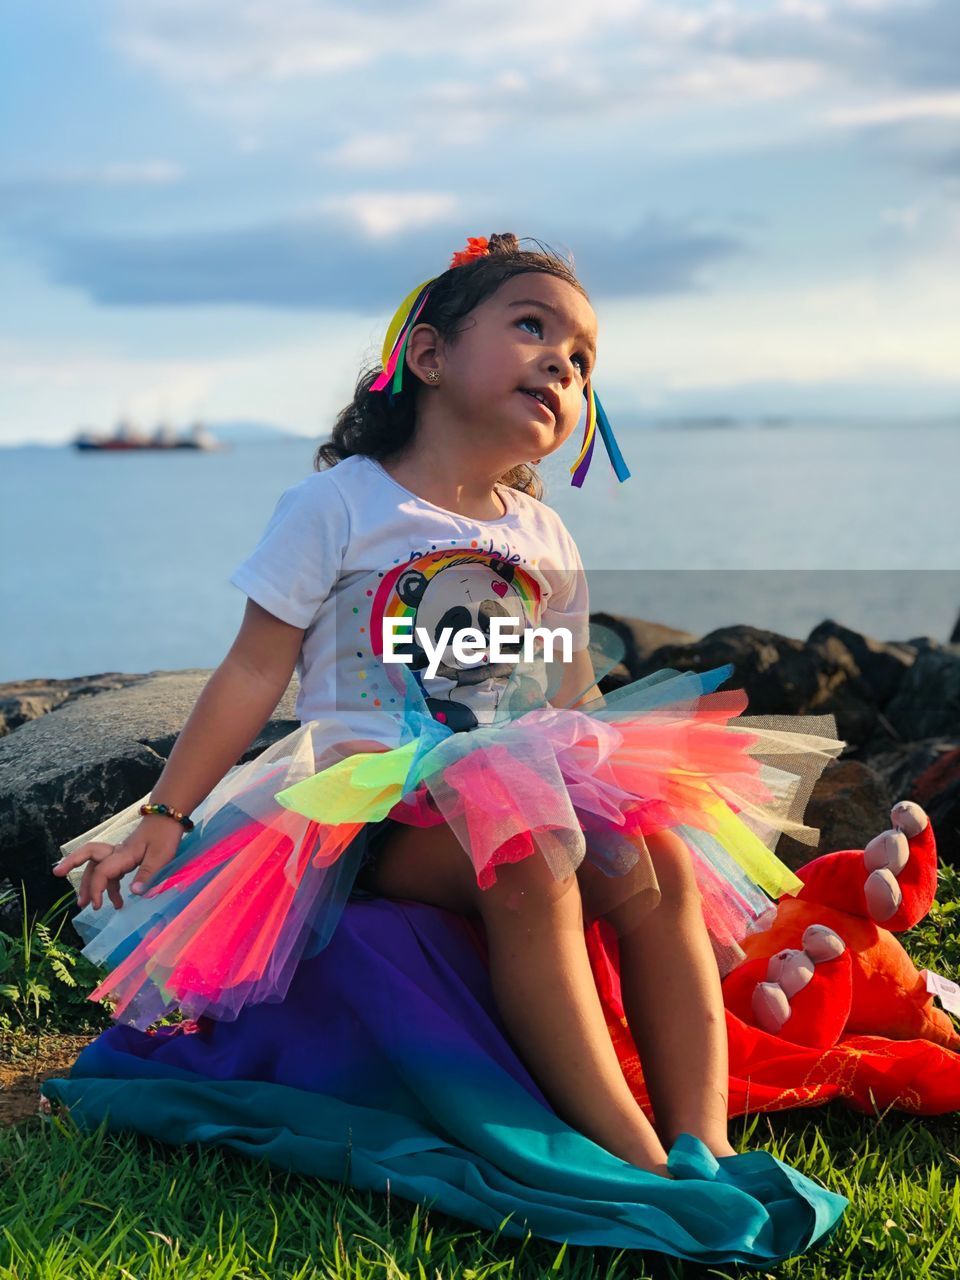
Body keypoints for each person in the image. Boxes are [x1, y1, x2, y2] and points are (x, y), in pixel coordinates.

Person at [45, 232, 849, 1264]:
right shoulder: (340, 504)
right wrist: (164, 817)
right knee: (535, 847)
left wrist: (628, 784)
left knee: (645, 858)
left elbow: (567, 697)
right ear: (426, 355)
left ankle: (704, 1142)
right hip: (370, 810)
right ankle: (628, 1155)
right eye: (532, 325)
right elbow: (251, 671)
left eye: (584, 357)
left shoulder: (544, 539)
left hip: (519, 776)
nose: (563, 361)